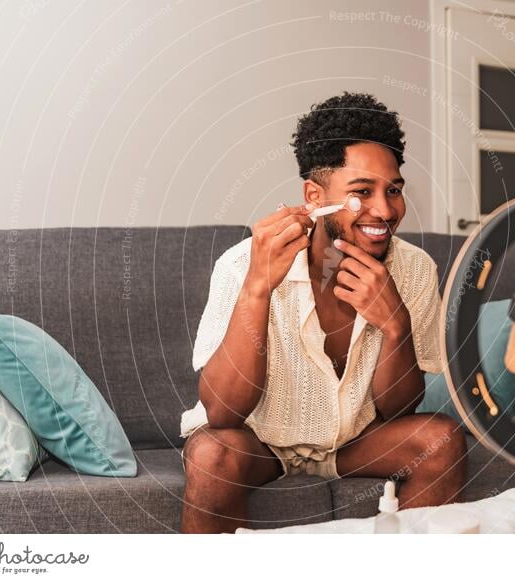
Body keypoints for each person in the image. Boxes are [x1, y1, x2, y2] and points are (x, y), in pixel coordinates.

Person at [180, 92, 467, 534]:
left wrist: (395, 326)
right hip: (262, 445)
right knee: (209, 452)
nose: (385, 211)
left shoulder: (414, 270)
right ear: (315, 197)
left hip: (355, 443)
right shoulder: (241, 265)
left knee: (441, 438)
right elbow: (221, 415)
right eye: (362, 192)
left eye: (393, 190)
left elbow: (401, 412)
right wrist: (258, 288)